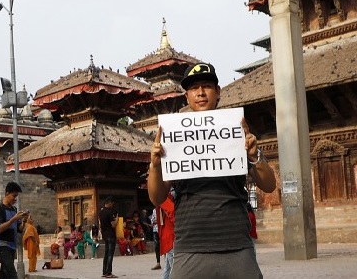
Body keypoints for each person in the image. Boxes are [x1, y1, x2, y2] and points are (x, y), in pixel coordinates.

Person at [148, 63, 276, 279]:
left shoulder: (236, 131)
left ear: (218, 92)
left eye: (206, 86)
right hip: (190, 248)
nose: (200, 93)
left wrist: (254, 156)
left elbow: (269, 185)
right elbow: (157, 196)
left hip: (237, 247)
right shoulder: (173, 137)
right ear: (186, 95)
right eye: (194, 88)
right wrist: (155, 165)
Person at [0, 181, 28, 279]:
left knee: (4, 275)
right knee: (12, 275)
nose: (15, 199)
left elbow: (19, 229)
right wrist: (13, 219)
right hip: (2, 247)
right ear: (7, 193)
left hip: (12, 247)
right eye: (14, 196)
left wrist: (24, 221)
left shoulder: (14, 209)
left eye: (16, 196)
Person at [98, 196, 118, 278]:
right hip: (111, 235)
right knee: (110, 254)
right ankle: (109, 272)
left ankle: (104, 271)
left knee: (106, 254)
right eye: (112, 203)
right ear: (109, 203)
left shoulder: (101, 212)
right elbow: (113, 225)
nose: (112, 205)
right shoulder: (109, 212)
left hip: (105, 235)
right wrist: (116, 219)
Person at [157, 191, 175, 279]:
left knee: (168, 268)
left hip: (167, 236)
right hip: (170, 236)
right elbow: (172, 211)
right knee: (174, 268)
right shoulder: (163, 197)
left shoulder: (160, 197)